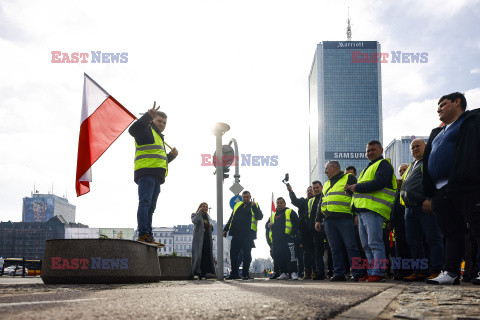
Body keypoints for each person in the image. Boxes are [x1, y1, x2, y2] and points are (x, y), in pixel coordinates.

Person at [423, 92, 480, 285]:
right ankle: (450, 272)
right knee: (451, 233)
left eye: (443, 104)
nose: (438, 108)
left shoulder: (473, 120)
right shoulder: (437, 133)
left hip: (467, 185)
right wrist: (429, 191)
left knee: (477, 227)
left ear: (458, 102)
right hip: (440, 190)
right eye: (437, 105)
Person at [345, 140, 397, 282]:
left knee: (375, 243)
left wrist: (357, 187)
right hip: (363, 211)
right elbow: (362, 191)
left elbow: (379, 183)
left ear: (381, 150)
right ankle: (371, 271)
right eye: (368, 150)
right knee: (366, 245)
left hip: (374, 210)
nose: (370, 153)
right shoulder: (367, 169)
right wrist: (352, 190)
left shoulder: (384, 164)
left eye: (373, 149)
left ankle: (379, 273)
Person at [128, 102, 178, 245]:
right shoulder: (145, 129)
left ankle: (148, 235)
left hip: (155, 175)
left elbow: (159, 161)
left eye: (164, 122)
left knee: (151, 207)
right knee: (145, 203)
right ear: (152, 120)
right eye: (159, 121)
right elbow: (133, 130)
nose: (162, 124)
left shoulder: (158, 136)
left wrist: (171, 156)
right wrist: (147, 116)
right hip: (146, 173)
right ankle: (143, 234)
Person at [400, 139, 445, 282]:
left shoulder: (429, 160)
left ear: (426, 147)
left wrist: (429, 198)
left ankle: (437, 271)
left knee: (433, 238)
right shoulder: (412, 165)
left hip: (424, 206)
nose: (414, 149)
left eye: (418, 146)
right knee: (413, 241)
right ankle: (419, 271)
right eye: (412, 147)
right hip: (409, 208)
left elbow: (435, 180)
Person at [316, 161, 362, 281]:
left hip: (345, 218)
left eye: (326, 169)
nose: (325, 172)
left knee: (351, 246)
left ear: (333, 167)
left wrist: (356, 214)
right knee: (335, 248)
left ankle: (358, 273)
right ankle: (339, 273)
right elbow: (321, 202)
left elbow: (356, 196)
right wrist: (318, 219)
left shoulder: (349, 177)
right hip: (329, 220)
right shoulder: (326, 184)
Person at [224, 190, 263, 280]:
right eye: (244, 197)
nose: (245, 198)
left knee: (246, 255)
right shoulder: (237, 205)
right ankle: (234, 273)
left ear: (250, 197)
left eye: (247, 197)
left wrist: (254, 208)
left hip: (248, 234)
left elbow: (259, 217)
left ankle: (245, 274)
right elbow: (231, 219)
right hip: (236, 234)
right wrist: (225, 229)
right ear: (242, 197)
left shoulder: (254, 205)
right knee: (233, 254)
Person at [268, 197, 299, 280]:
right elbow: (267, 226)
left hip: (288, 238)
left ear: (284, 203)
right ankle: (283, 272)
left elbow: (296, 223)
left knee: (291, 256)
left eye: (281, 203)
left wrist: (292, 234)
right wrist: (268, 225)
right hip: (276, 240)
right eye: (278, 203)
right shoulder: (273, 215)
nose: (279, 204)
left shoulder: (290, 212)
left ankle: (293, 272)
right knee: (278, 256)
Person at [287, 184, 314, 279]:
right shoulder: (303, 201)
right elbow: (294, 201)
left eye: (312, 190)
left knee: (316, 251)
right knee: (306, 252)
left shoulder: (318, 200)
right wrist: (290, 191)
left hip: (316, 229)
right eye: (308, 190)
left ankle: (316, 271)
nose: (310, 191)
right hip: (304, 231)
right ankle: (307, 272)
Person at [191, 202, 215, 280]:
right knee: (198, 256)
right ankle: (196, 272)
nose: (205, 208)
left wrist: (211, 227)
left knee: (205, 256)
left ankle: (204, 273)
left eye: (206, 207)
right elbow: (195, 221)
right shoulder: (194, 215)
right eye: (203, 206)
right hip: (199, 239)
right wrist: (199, 213)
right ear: (200, 207)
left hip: (207, 238)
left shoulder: (208, 217)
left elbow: (209, 227)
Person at [309, 181, 326, 280]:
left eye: (317, 187)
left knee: (333, 250)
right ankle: (320, 273)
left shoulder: (325, 196)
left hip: (326, 226)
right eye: (314, 188)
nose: (315, 189)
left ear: (321, 187)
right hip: (315, 230)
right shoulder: (312, 200)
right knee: (318, 252)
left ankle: (335, 272)